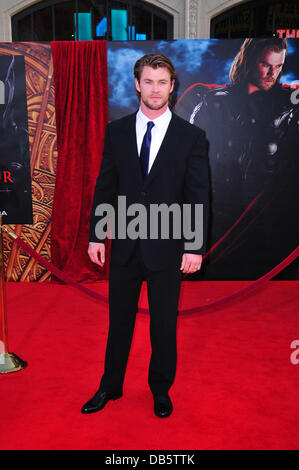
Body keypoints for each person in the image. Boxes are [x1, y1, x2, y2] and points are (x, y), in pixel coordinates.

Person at [81, 54, 210, 417]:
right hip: (123, 242)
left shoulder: (191, 136)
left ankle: (160, 389)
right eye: (149, 82)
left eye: (162, 82)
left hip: (167, 248)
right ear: (137, 84)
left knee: (163, 324)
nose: (155, 89)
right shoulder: (116, 130)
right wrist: (96, 235)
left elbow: (198, 195)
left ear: (172, 86)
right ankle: (110, 386)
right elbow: (105, 185)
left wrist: (195, 245)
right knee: (118, 319)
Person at [177, 38, 299, 279]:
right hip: (222, 215)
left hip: (269, 217)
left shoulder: (288, 103)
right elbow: (185, 158)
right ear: (250, 62)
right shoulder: (213, 101)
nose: (272, 73)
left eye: (278, 66)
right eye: (266, 65)